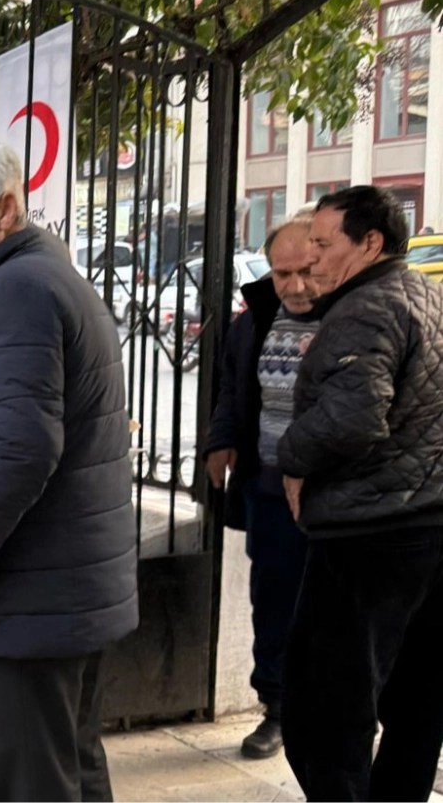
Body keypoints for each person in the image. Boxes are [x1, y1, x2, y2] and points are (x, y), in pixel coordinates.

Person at [0, 133, 137, 803]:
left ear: (5, 210)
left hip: (27, 597)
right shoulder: (31, 278)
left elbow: (21, 447)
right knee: (69, 769)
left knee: (30, 783)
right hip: (52, 591)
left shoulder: (15, 289)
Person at [277, 185, 443, 802]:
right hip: (423, 530)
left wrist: (290, 458)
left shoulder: (366, 307)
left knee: (324, 719)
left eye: (323, 243)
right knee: (416, 705)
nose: (313, 257)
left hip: (369, 539)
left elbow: (352, 418)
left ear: (370, 243)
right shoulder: (423, 295)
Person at [202, 210, 318, 760]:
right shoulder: (253, 321)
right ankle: (276, 708)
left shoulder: (352, 316)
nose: (295, 286)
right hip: (269, 492)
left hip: (334, 498)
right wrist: (220, 441)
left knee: (332, 610)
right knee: (272, 603)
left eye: (306, 271)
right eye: (282, 273)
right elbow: (232, 388)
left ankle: (335, 711)